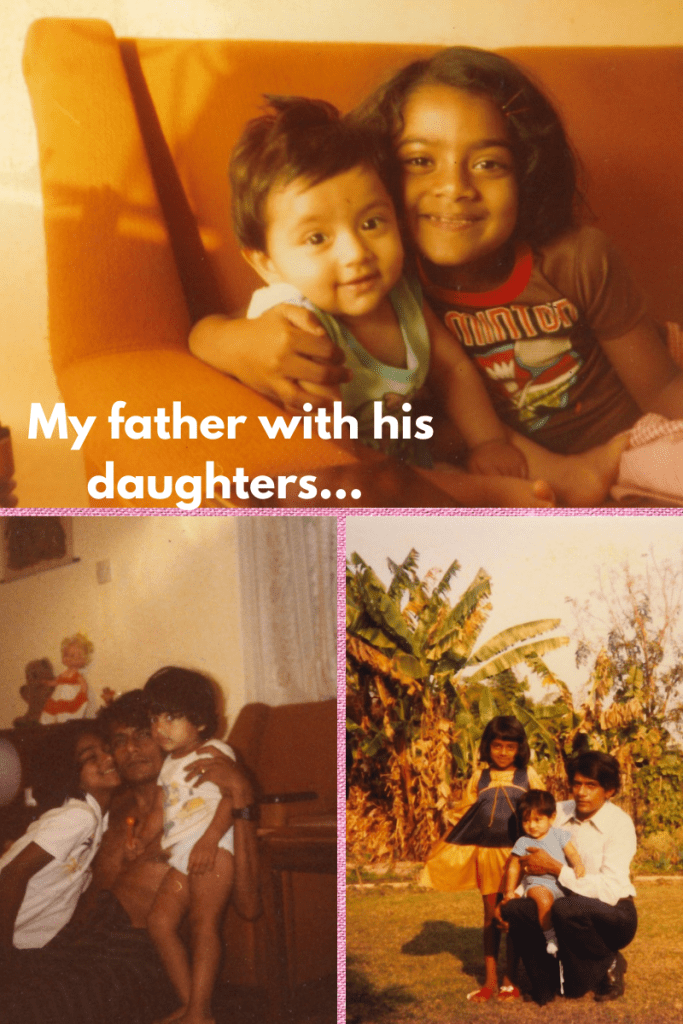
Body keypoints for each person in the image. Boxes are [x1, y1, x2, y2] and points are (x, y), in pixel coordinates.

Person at [196, 48, 683, 503]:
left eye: (489, 163)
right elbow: (214, 332)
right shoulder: (363, 285)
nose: (453, 188)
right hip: (460, 462)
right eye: (420, 161)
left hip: (621, 435)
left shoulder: (570, 258)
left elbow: (659, 391)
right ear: (386, 174)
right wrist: (240, 345)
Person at [0, 687, 259, 1024]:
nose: (131, 748)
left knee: (35, 1010)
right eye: (119, 741)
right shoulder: (104, 816)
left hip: (141, 956)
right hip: (78, 943)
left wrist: (242, 794)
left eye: (141, 735)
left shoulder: (201, 809)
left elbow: (249, 906)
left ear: (164, 738)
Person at [130, 668, 237, 1024]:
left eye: (172, 717)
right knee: (159, 922)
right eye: (154, 718)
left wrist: (209, 841)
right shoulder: (168, 765)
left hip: (213, 853)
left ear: (202, 721)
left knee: (203, 926)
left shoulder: (214, 752)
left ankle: (199, 1011)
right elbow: (164, 809)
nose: (160, 727)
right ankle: (193, 1004)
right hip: (182, 859)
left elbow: (231, 798)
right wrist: (143, 838)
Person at [420, 716, 544, 1002]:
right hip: (487, 856)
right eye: (497, 746)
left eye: (509, 747)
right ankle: (489, 981)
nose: (502, 752)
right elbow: (467, 814)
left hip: (519, 857)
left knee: (512, 915)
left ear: (519, 749)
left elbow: (542, 811)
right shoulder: (480, 777)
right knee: (490, 916)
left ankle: (510, 980)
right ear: (487, 746)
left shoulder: (528, 776)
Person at [499, 751, 637, 1005]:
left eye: (591, 785)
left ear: (610, 791)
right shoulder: (557, 813)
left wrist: (556, 869)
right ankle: (543, 983)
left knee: (566, 908)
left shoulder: (620, 825)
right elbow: (528, 854)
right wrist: (510, 895)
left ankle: (609, 960)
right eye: (576, 783)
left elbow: (609, 889)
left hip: (613, 913)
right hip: (562, 905)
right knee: (518, 909)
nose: (581, 792)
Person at [0, 720, 119, 951]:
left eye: (107, 749)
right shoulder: (78, 816)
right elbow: (13, 873)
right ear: (71, 773)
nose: (108, 758)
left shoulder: (97, 819)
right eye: (90, 757)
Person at [502, 789, 584, 956]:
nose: (531, 826)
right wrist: (510, 890)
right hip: (537, 884)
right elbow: (513, 866)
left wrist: (578, 865)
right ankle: (551, 938)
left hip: (561, 884)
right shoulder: (523, 841)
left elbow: (572, 853)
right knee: (544, 900)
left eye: (537, 820)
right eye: (526, 821)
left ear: (552, 817)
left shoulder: (560, 835)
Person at [41, 633, 98, 724]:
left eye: (72, 656)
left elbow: (84, 686)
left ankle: (64, 721)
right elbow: (56, 681)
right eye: (65, 655)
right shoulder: (64, 673)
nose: (68, 658)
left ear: (82, 659)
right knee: (52, 710)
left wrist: (82, 695)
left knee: (66, 714)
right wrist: (47, 683)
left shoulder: (77, 675)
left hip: (70, 698)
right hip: (58, 698)